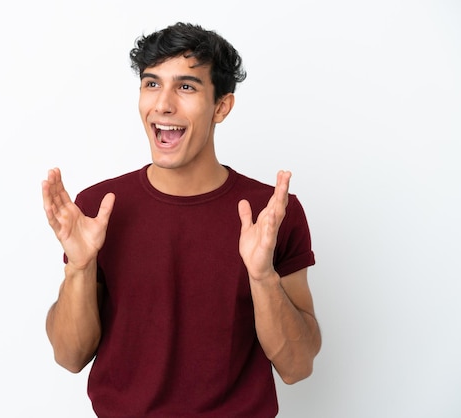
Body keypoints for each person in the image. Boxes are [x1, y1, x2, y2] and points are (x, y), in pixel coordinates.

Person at [42, 22, 321, 417]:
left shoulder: (272, 213)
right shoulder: (98, 207)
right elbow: (69, 356)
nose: (163, 104)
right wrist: (80, 268)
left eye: (186, 87)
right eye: (151, 84)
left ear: (221, 106)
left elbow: (297, 366)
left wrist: (262, 278)